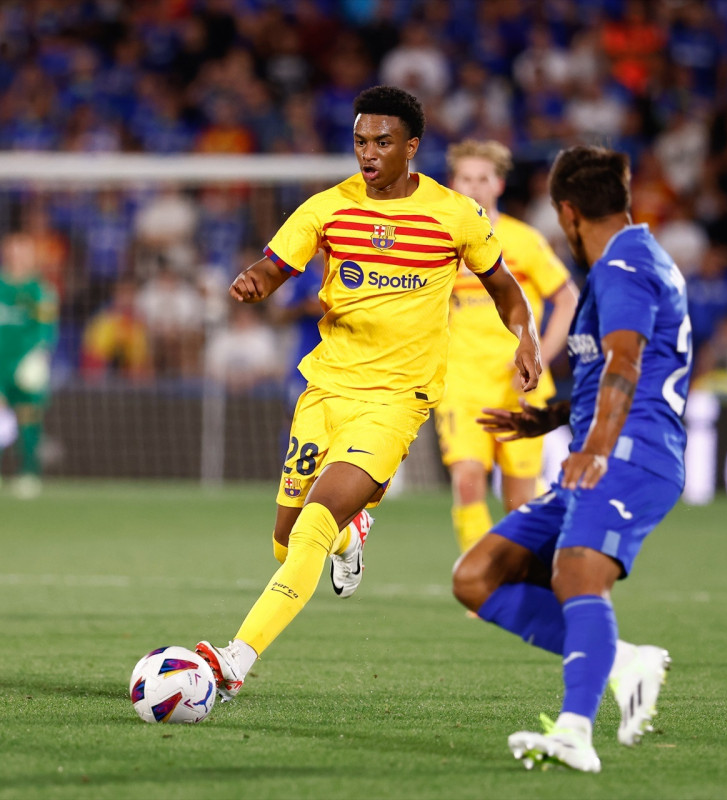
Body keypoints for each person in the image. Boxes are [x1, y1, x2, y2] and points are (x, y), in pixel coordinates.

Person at [195, 85, 542, 702]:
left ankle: (232, 661)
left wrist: (527, 336)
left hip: (396, 400)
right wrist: (255, 280)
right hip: (326, 391)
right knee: (285, 545)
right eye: (360, 141)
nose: (368, 153)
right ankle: (353, 535)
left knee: (312, 529)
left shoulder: (455, 214)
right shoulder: (328, 208)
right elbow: (276, 266)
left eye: (382, 142)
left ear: (412, 147)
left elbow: (505, 287)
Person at [453, 145, 691, 772]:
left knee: (576, 575)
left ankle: (575, 731)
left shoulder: (627, 265)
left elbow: (624, 360)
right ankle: (621, 661)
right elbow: (607, 370)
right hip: (605, 446)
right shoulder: (624, 261)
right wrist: (553, 418)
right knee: (477, 577)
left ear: (566, 213)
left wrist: (594, 448)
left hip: (629, 455)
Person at [437, 140, 578, 553]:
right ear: (453, 184)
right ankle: (482, 583)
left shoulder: (523, 241)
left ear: (498, 184)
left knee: (519, 494)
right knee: (466, 480)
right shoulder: (440, 244)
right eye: (466, 178)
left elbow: (568, 298)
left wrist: (540, 355)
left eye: (483, 178)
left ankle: (523, 576)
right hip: (460, 382)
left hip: (520, 383)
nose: (475, 186)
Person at [0, 233, 58, 499]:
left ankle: (28, 474)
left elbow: (46, 328)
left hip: (24, 359)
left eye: (22, 252)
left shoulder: (41, 290)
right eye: (12, 252)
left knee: (28, 413)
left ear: (31, 257)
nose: (16, 257)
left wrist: (38, 355)